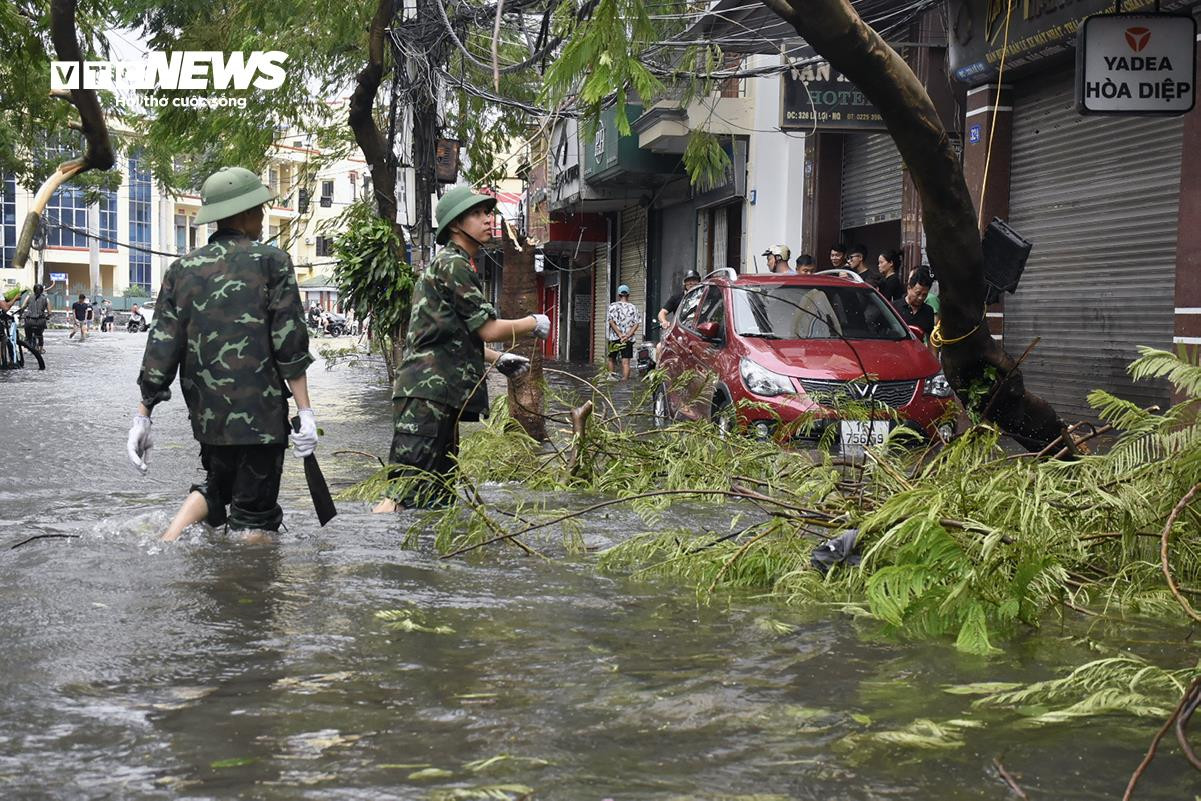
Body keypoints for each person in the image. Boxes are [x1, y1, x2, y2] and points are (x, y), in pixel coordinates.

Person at [125, 166, 318, 542]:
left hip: (208, 417)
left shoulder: (181, 270)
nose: (262, 217)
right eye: (258, 210)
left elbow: (163, 346)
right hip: (261, 420)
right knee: (254, 520)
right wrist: (306, 412)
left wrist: (143, 416)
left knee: (220, 485)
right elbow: (289, 345)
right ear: (244, 214)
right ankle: (242, 587)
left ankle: (167, 541)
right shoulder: (272, 262)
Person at [372, 185, 549, 513]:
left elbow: (451, 337)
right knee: (402, 494)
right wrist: (532, 322)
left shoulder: (455, 265)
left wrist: (498, 358)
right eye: (477, 213)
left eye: (487, 213)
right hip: (427, 397)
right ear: (455, 224)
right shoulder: (453, 265)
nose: (487, 219)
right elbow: (487, 329)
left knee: (435, 498)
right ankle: (376, 557)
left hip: (439, 396)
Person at [606, 284, 641, 380]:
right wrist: (627, 336)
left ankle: (611, 378)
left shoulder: (612, 306)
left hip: (614, 338)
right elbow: (637, 323)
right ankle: (625, 381)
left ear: (619, 295)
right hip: (628, 339)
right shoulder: (633, 307)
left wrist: (619, 334)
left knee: (611, 359)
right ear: (628, 295)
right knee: (626, 362)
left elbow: (611, 321)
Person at [896, 268, 936, 343]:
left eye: (924, 295)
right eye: (917, 293)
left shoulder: (928, 311)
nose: (920, 298)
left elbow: (930, 338)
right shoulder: (894, 307)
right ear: (909, 288)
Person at [21, 284, 49, 352]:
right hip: (40, 321)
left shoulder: (28, 297)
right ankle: (41, 348)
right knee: (40, 335)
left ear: (34, 290)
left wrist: (20, 315)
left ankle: (26, 347)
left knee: (28, 336)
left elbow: (23, 307)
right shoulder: (46, 299)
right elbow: (50, 312)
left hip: (29, 321)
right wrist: (47, 317)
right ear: (42, 291)